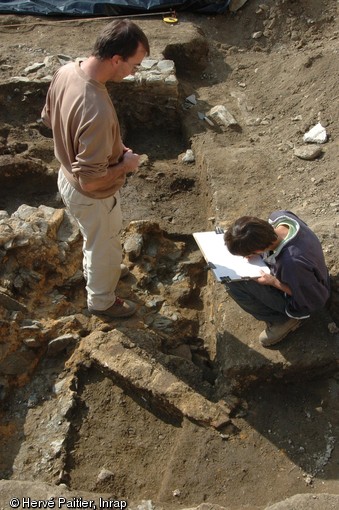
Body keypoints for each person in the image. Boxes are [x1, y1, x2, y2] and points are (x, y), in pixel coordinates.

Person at [41, 19, 150, 319]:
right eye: (135, 65)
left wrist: (112, 145)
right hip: (91, 194)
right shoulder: (96, 108)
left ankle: (104, 269)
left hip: (66, 178)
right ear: (116, 59)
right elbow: (90, 183)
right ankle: (101, 301)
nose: (134, 72)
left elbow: (50, 118)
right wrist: (125, 164)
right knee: (103, 244)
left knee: (99, 240)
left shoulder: (67, 71)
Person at [224, 210, 331, 347]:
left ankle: (284, 320)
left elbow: (310, 297)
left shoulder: (290, 264)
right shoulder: (280, 217)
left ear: (257, 251)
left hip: (311, 295)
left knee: (234, 285)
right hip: (309, 275)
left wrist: (273, 282)